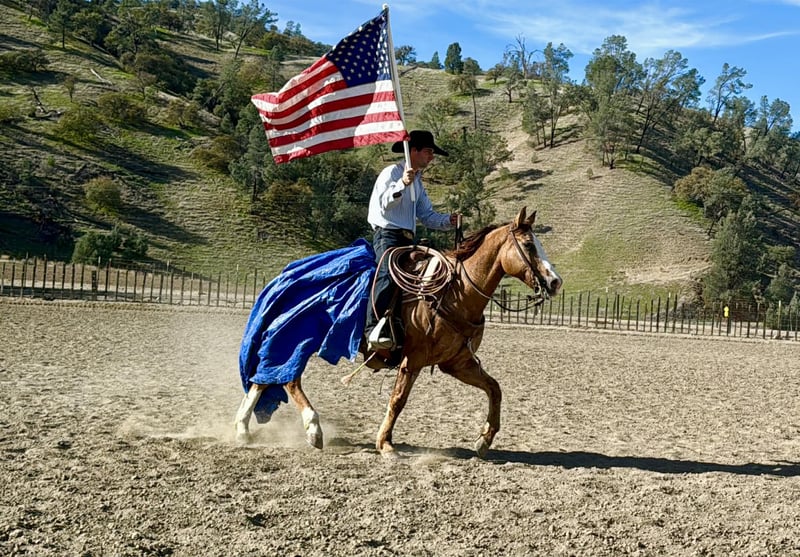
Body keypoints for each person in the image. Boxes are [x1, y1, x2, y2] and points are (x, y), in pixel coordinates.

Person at [365, 130, 459, 350]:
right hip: (387, 235)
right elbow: (385, 204)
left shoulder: (417, 182)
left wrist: (448, 221)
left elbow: (427, 216)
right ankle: (372, 328)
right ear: (413, 151)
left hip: (408, 240)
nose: (432, 157)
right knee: (387, 273)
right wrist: (402, 184)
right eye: (428, 151)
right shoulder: (391, 172)